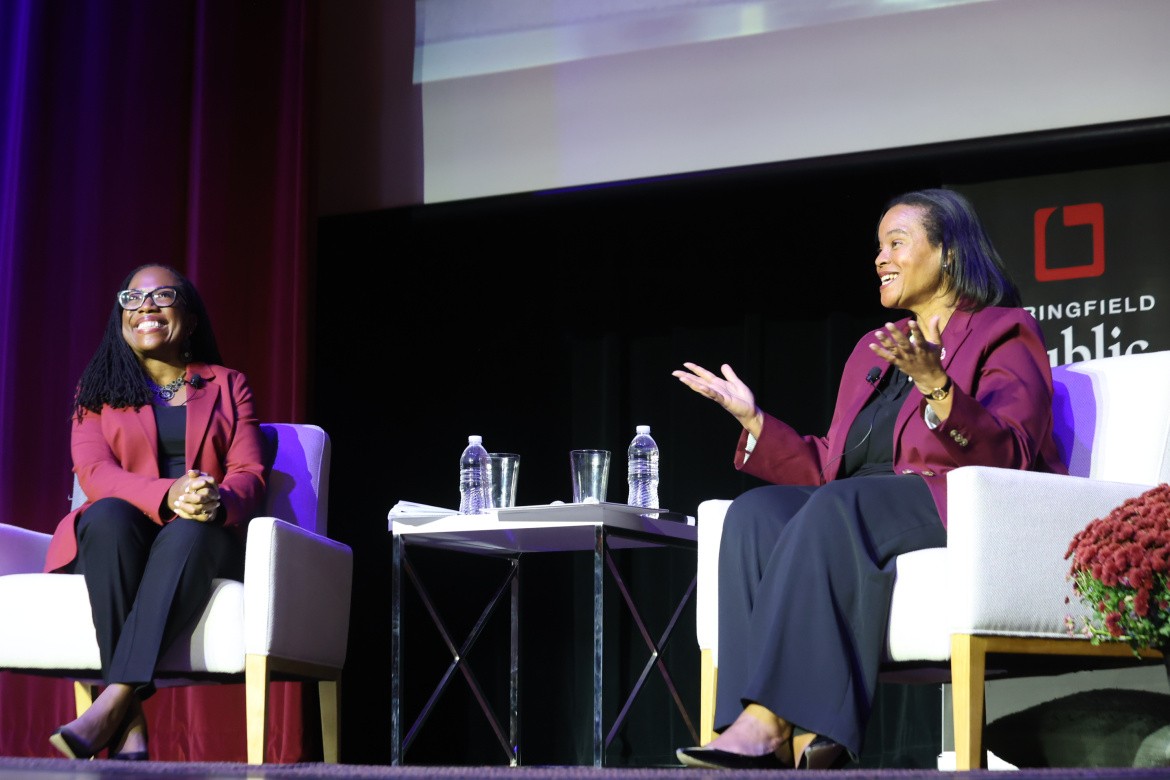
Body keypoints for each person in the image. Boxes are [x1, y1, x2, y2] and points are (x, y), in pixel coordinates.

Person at [672, 188, 1067, 770]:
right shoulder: (873, 350)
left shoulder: (1003, 331)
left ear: (948, 253)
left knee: (841, 505)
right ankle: (781, 737)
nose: (881, 258)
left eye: (896, 243)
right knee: (755, 514)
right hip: (861, 499)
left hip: (951, 497)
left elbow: (1010, 453)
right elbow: (830, 465)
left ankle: (770, 722)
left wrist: (938, 387)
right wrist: (754, 421)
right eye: (878, 246)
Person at [45, 264, 266, 761]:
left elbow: (249, 472)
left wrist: (215, 499)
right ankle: (128, 721)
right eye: (132, 299)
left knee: (190, 530)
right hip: (120, 534)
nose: (145, 306)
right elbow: (94, 472)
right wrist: (169, 493)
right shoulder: (97, 390)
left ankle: (114, 700)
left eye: (162, 296)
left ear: (190, 319)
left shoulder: (228, 385)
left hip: (200, 534)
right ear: (121, 317)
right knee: (105, 516)